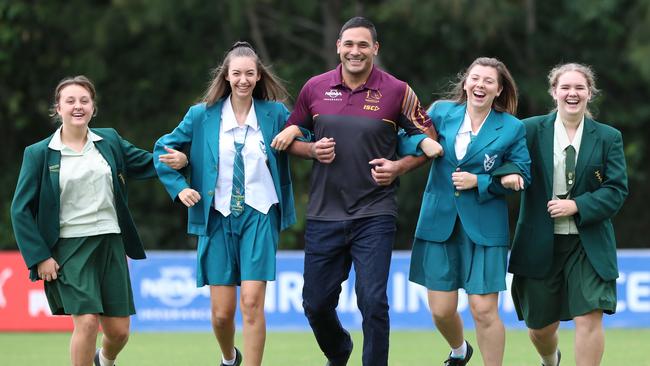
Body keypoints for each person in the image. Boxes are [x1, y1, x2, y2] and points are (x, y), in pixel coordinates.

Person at [272, 16, 442, 366]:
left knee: (373, 301)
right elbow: (289, 136)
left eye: (363, 45)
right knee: (316, 304)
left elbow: (431, 140)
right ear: (338, 47)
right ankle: (339, 351)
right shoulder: (315, 88)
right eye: (349, 44)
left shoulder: (397, 90)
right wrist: (309, 149)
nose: (355, 51)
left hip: (374, 213)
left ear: (375, 49)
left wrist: (399, 166)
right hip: (323, 214)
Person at [10, 75, 187, 366]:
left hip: (111, 242)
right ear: (58, 108)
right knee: (88, 321)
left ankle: (104, 360)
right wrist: (40, 257)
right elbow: (20, 210)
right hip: (68, 249)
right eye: (70, 101)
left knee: (118, 332)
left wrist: (179, 159)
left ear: (93, 107)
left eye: (84, 100)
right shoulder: (39, 153)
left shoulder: (110, 141)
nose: (77, 106)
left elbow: (146, 162)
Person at [153, 41, 296, 366]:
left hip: (259, 215)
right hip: (216, 217)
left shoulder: (275, 113)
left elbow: (305, 134)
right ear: (227, 76)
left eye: (249, 73)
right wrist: (179, 186)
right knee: (221, 315)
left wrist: (296, 132)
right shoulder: (202, 115)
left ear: (258, 76)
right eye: (237, 74)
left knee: (251, 303)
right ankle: (230, 357)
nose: (243, 79)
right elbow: (162, 149)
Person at [408, 57, 531, 366]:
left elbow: (522, 172)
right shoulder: (440, 112)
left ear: (499, 90)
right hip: (439, 223)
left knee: (483, 309)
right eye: (476, 78)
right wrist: (423, 141)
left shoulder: (511, 127)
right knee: (440, 309)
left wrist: (482, 181)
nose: (481, 85)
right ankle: (460, 350)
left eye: (489, 81)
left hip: (485, 226)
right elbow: (404, 134)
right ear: (465, 82)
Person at [509, 63, 628, 366]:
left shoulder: (608, 137)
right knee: (539, 327)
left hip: (588, 242)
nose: (572, 93)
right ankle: (551, 360)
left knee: (589, 318)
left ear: (590, 93)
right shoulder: (529, 129)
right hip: (540, 242)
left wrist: (578, 206)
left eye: (579, 88)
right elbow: (506, 160)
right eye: (565, 87)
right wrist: (507, 175)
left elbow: (616, 190)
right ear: (554, 92)